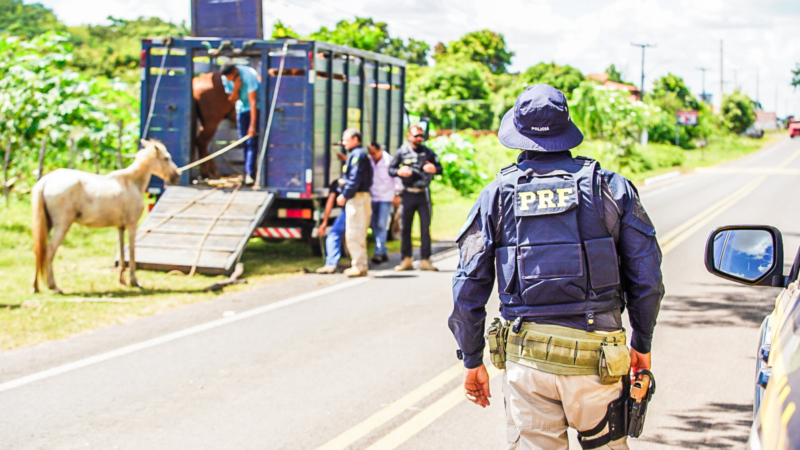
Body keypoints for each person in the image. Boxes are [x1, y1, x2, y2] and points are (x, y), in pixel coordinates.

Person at [448, 84, 664, 449]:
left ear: (518, 134)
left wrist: (472, 359)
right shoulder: (611, 187)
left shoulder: (495, 195)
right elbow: (647, 278)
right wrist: (641, 344)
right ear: (566, 129)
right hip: (599, 360)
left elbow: (467, 285)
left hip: (528, 363)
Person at [388, 125, 443, 271]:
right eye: (416, 135)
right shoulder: (402, 152)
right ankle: (406, 260)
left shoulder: (428, 152)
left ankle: (425, 260)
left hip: (423, 194)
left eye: (421, 136)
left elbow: (440, 169)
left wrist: (434, 169)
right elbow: (391, 170)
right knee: (405, 228)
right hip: (407, 194)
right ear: (409, 136)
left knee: (425, 229)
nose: (419, 138)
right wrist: (399, 171)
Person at [337, 129, 373, 277]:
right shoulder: (356, 155)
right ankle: (361, 265)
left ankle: (358, 266)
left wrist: (344, 194)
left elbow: (355, 178)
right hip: (361, 198)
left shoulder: (357, 155)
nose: (343, 142)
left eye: (346, 139)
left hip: (357, 199)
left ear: (355, 140)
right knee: (359, 233)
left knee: (354, 233)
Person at [220, 63, 260, 185]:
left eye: (229, 77)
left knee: (251, 142)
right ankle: (248, 172)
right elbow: (232, 100)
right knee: (244, 142)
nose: (227, 79)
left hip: (253, 109)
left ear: (234, 72)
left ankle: (250, 174)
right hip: (241, 109)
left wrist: (252, 126)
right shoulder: (225, 78)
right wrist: (236, 87)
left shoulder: (249, 75)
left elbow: (253, 102)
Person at [367, 142, 402, 265]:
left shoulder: (389, 161)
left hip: (386, 197)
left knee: (381, 224)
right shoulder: (370, 161)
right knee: (374, 225)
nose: (373, 156)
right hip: (373, 197)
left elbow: (397, 178)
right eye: (370, 153)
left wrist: (396, 194)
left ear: (380, 150)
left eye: (374, 153)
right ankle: (383, 251)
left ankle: (378, 252)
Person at [314, 180, 346, 274]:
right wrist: (325, 222)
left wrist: (324, 222)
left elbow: (330, 201)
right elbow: (330, 201)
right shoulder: (338, 183)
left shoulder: (349, 179)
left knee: (334, 234)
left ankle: (331, 264)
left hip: (351, 208)